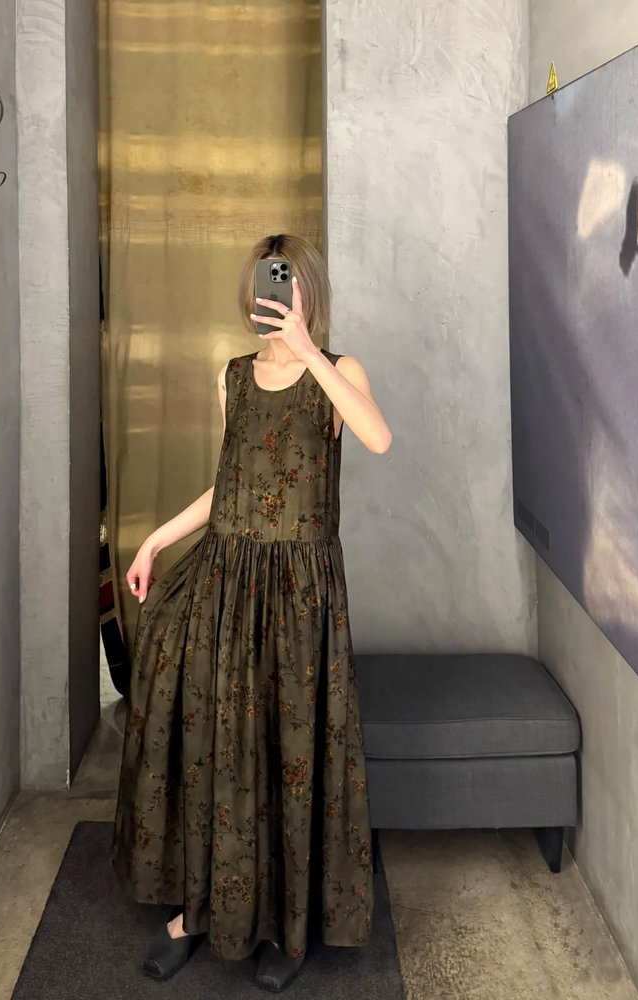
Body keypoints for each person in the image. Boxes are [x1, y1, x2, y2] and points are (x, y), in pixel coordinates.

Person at [110, 233, 393, 992]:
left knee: (287, 751)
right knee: (217, 745)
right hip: (226, 583)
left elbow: (377, 437)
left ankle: (287, 928)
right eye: (266, 285)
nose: (272, 296)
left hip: (300, 595)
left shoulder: (340, 372)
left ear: (306, 291)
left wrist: (307, 350)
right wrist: (154, 540)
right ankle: (197, 911)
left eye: (286, 284)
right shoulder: (232, 376)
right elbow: (230, 483)